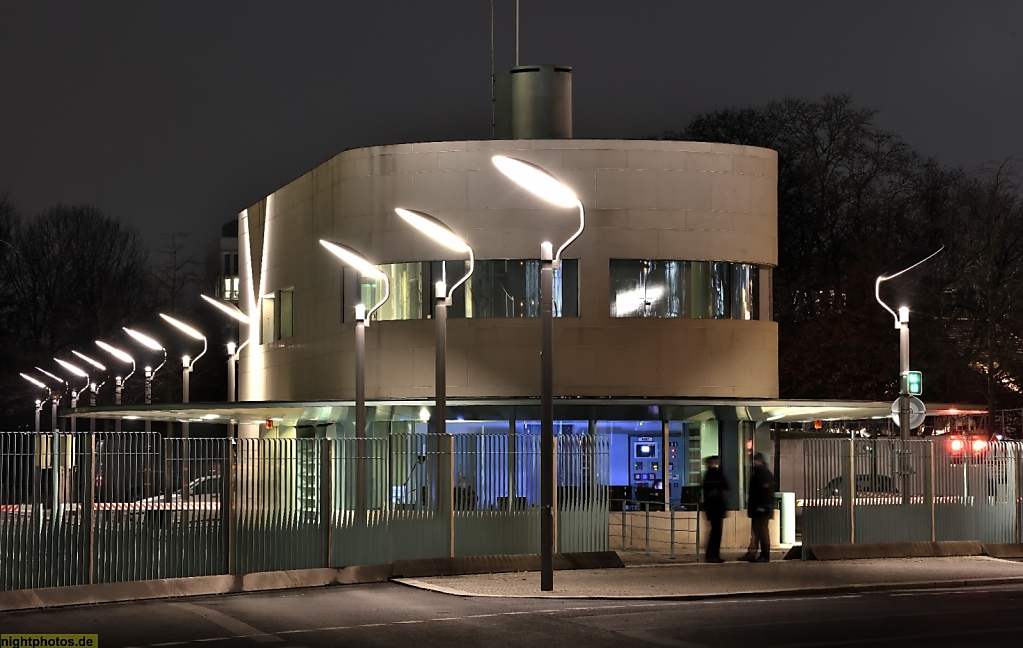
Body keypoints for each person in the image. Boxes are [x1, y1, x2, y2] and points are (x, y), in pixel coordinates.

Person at [746, 452, 776, 562]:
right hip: (760, 508)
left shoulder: (762, 474)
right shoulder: (762, 473)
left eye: (755, 460)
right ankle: (755, 554)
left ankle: (764, 555)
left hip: (761, 509)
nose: (753, 462)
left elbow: (764, 493)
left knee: (761, 531)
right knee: (758, 531)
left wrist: (762, 506)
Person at [700, 455, 729, 563]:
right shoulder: (715, 474)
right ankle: (713, 554)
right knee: (716, 532)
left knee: (714, 531)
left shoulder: (709, 474)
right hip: (716, 507)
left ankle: (711, 554)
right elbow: (723, 490)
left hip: (712, 507)